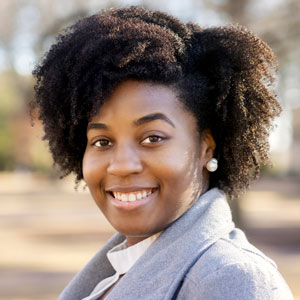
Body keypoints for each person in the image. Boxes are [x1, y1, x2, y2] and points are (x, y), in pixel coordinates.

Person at [32, 6, 294, 300]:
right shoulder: (114, 273)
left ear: (206, 147)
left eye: (152, 138)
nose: (121, 165)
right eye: (102, 141)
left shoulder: (233, 279)